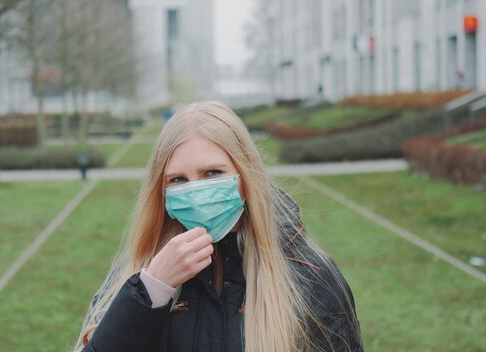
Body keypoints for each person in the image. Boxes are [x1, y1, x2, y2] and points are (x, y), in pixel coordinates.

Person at [72, 101, 363, 352]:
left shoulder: (309, 276)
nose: (197, 192)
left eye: (212, 173)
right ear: (160, 189)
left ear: (245, 175)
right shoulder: (142, 271)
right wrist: (150, 291)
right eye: (178, 180)